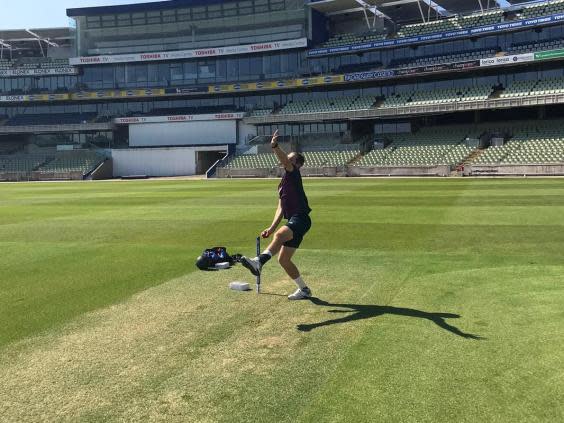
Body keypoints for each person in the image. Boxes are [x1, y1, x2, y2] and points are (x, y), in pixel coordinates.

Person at [241, 130, 312, 300]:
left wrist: (274, 146)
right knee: (284, 260)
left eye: (291, 158)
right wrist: (271, 228)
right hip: (294, 219)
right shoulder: (282, 184)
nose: (287, 159)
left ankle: (258, 262)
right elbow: (280, 208)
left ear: (297, 164)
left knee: (282, 234)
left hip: (301, 218)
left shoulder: (293, 173)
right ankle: (304, 289)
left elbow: (285, 160)